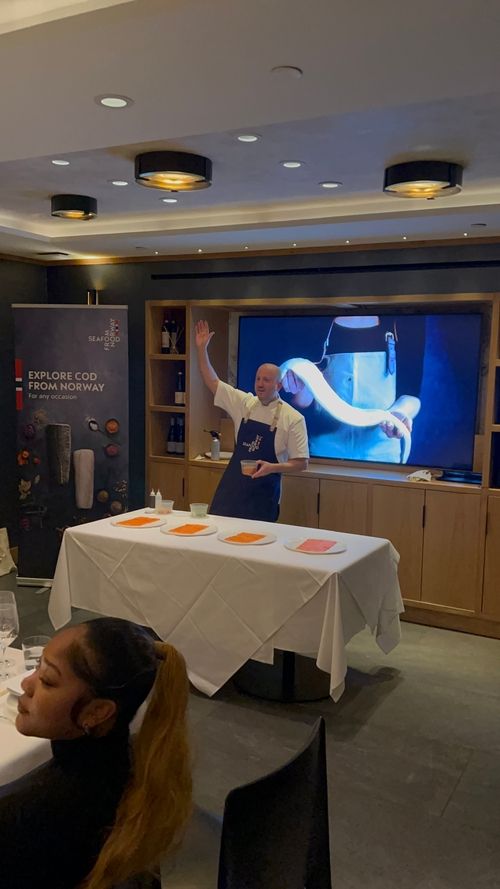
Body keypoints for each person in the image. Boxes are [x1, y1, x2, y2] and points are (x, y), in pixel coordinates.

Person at [0, 618, 192, 889]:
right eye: (35, 668)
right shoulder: (136, 769)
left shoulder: (26, 816)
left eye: (47, 680)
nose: (27, 685)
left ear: (97, 712)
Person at [195, 319, 309, 521]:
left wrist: (272, 467)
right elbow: (212, 381)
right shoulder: (244, 403)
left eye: (266, 380)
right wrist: (202, 349)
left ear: (279, 385)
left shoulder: (293, 418)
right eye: (258, 379)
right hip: (232, 492)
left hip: (263, 497)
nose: (260, 384)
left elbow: (301, 463)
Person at [280, 315, 421, 464]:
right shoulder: (311, 323)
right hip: (324, 453)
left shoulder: (402, 322)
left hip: (382, 454)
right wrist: (299, 389)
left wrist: (400, 413)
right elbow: (301, 402)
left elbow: (412, 394)